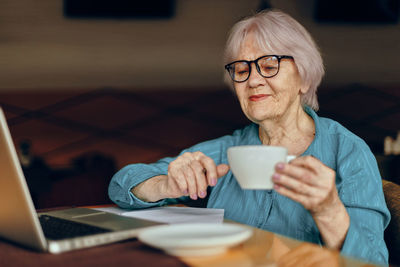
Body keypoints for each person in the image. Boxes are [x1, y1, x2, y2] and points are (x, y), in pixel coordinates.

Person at [108, 10, 390, 266]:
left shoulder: (347, 151)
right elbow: (121, 185)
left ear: (304, 78)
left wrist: (329, 211)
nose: (253, 80)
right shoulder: (230, 149)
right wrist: (166, 185)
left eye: (269, 66)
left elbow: (373, 262)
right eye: (242, 70)